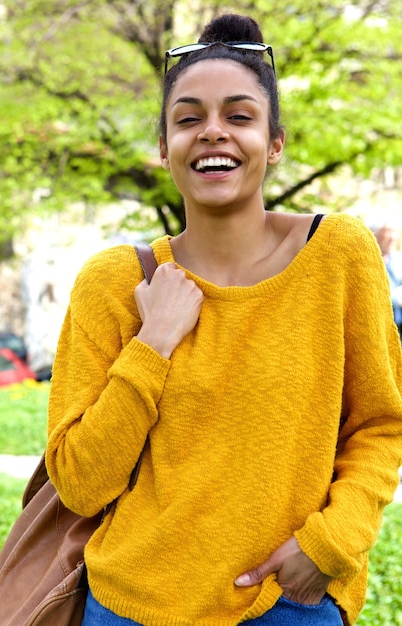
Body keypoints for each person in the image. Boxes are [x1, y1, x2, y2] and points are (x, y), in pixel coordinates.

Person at [46, 13, 402, 626]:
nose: (213, 133)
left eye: (239, 116)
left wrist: (330, 544)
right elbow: (79, 483)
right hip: (134, 608)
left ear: (275, 142)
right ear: (164, 148)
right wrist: (153, 343)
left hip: (291, 602)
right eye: (188, 119)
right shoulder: (114, 281)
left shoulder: (339, 254)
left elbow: (381, 424)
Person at [372, 222, 402, 334]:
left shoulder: (398, 261)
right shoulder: (366, 262)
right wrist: (396, 298)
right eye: (388, 231)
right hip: (378, 331)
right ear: (373, 234)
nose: (393, 238)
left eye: (395, 232)